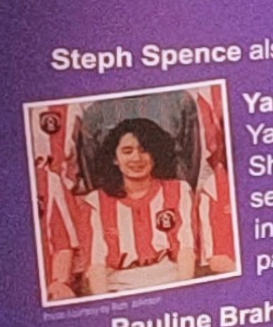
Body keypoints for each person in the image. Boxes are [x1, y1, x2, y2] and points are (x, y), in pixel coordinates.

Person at [48, 117, 200, 297]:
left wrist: (183, 293)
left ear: (155, 155)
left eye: (144, 151)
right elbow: (96, 265)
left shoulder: (179, 191)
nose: (137, 158)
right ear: (114, 158)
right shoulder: (96, 202)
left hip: (169, 280)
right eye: (127, 151)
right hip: (118, 287)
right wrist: (105, 303)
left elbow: (186, 250)